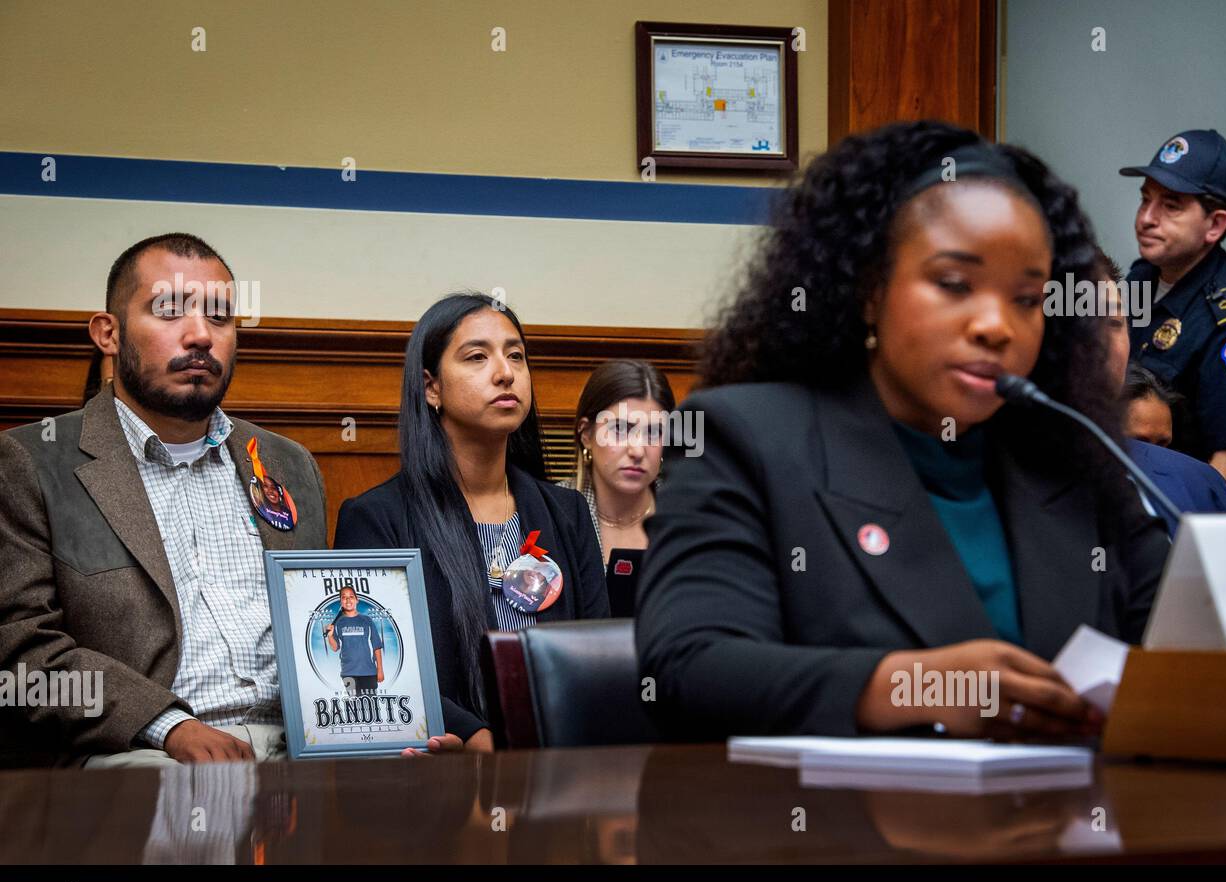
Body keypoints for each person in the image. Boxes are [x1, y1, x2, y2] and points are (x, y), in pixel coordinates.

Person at [636, 122, 1170, 741]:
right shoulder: (743, 437)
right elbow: (686, 670)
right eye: (953, 284)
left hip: (1069, 825)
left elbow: (1189, 646)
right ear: (869, 290)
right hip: (823, 830)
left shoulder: (1071, 458)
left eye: (1027, 298)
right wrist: (921, 686)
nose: (996, 325)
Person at [0, 232, 329, 768]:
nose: (200, 335)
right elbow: (18, 655)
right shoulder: (30, 463)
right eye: (169, 311)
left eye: (220, 317)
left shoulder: (289, 465)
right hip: (140, 751)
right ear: (109, 333)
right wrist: (167, 725)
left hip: (302, 743)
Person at [335, 292, 609, 754]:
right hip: (445, 771)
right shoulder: (376, 518)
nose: (505, 372)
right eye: (477, 357)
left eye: (516, 355)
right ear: (431, 388)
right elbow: (382, 665)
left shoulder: (567, 512)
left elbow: (598, 654)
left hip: (564, 763)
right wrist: (476, 734)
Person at [1119, 129, 1226, 502]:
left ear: (1215, 225)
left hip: (1176, 518)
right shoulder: (1142, 276)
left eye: (1171, 206)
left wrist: (1183, 551)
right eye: (1145, 200)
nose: (1146, 218)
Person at [1094, 250, 1226, 535]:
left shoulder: (1199, 488)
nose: (1098, 345)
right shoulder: (991, 482)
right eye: (1074, 323)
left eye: (1113, 323)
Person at [561, 360, 676, 564]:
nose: (637, 451)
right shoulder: (551, 512)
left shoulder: (686, 513)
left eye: (654, 432)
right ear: (587, 434)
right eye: (621, 429)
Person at [325, 586, 384, 695]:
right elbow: (335, 647)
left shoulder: (367, 620)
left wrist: (380, 669)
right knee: (355, 706)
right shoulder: (338, 623)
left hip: (368, 672)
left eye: (351, 597)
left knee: (370, 706)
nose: (348, 600)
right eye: (344, 597)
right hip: (348, 673)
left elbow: (376, 646)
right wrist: (330, 636)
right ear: (341, 601)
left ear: (357, 600)